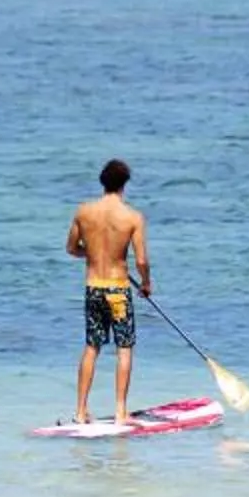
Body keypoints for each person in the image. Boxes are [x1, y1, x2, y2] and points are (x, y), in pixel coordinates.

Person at [65, 157, 150, 424]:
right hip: (118, 290)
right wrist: (146, 284)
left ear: (103, 182)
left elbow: (71, 248)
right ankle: (120, 411)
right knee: (124, 348)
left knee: (92, 346)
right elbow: (141, 261)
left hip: (93, 287)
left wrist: (92, 255)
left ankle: (80, 411)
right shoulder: (132, 217)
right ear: (125, 184)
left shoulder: (83, 212)